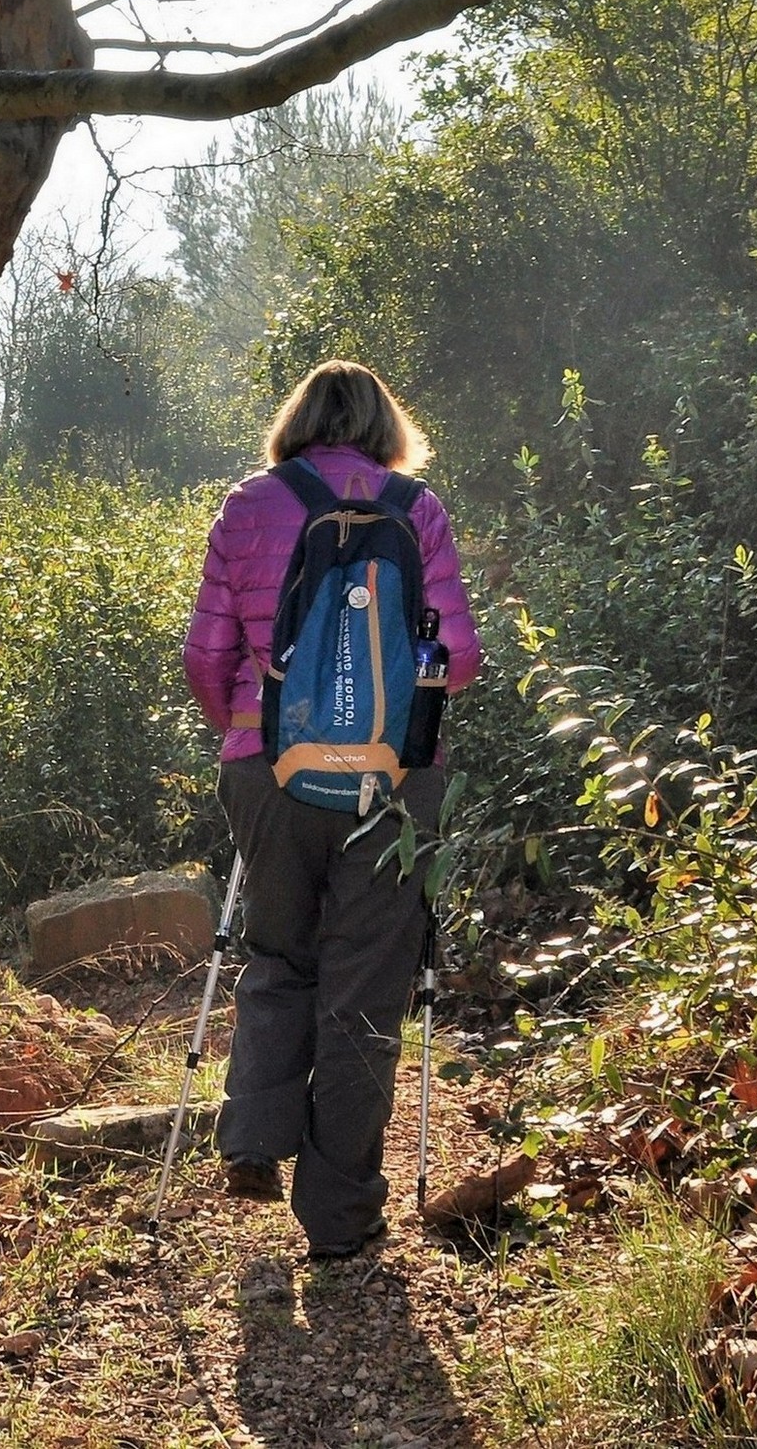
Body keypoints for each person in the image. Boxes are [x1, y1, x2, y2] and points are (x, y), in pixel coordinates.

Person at [180, 359, 480, 1260]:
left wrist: (249, 731)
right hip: (393, 780)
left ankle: (252, 1137)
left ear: (298, 422)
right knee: (365, 989)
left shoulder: (248, 505)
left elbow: (206, 653)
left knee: (277, 952)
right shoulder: (416, 509)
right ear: (385, 426)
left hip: (267, 769)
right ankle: (341, 1221)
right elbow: (458, 659)